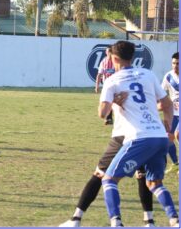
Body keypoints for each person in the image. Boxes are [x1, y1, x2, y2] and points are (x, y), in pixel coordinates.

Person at [99, 41, 178, 227]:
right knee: (154, 183)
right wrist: (167, 128)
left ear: (114, 58)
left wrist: (114, 102)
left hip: (139, 137)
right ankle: (175, 220)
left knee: (109, 180)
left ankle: (116, 222)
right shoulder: (148, 75)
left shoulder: (112, 81)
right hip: (160, 137)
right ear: (132, 57)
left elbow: (102, 113)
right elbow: (167, 104)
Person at [59, 93, 156, 227]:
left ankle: (77, 219)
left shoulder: (115, 82)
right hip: (144, 135)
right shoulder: (145, 79)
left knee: (99, 174)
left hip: (122, 136)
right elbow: (161, 103)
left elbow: (102, 113)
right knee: (142, 175)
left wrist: (112, 102)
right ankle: (149, 222)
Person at [161, 52, 179, 174]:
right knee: (167, 139)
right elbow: (162, 93)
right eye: (173, 63)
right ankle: (176, 163)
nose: (175, 66)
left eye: (178, 63)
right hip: (174, 113)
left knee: (178, 135)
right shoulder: (168, 76)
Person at [95, 47, 115, 125]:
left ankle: (109, 118)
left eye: (109, 52)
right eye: (107, 52)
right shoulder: (103, 62)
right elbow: (99, 74)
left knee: (113, 102)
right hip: (106, 85)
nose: (108, 53)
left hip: (115, 85)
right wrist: (97, 85)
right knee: (107, 101)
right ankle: (108, 118)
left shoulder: (115, 61)